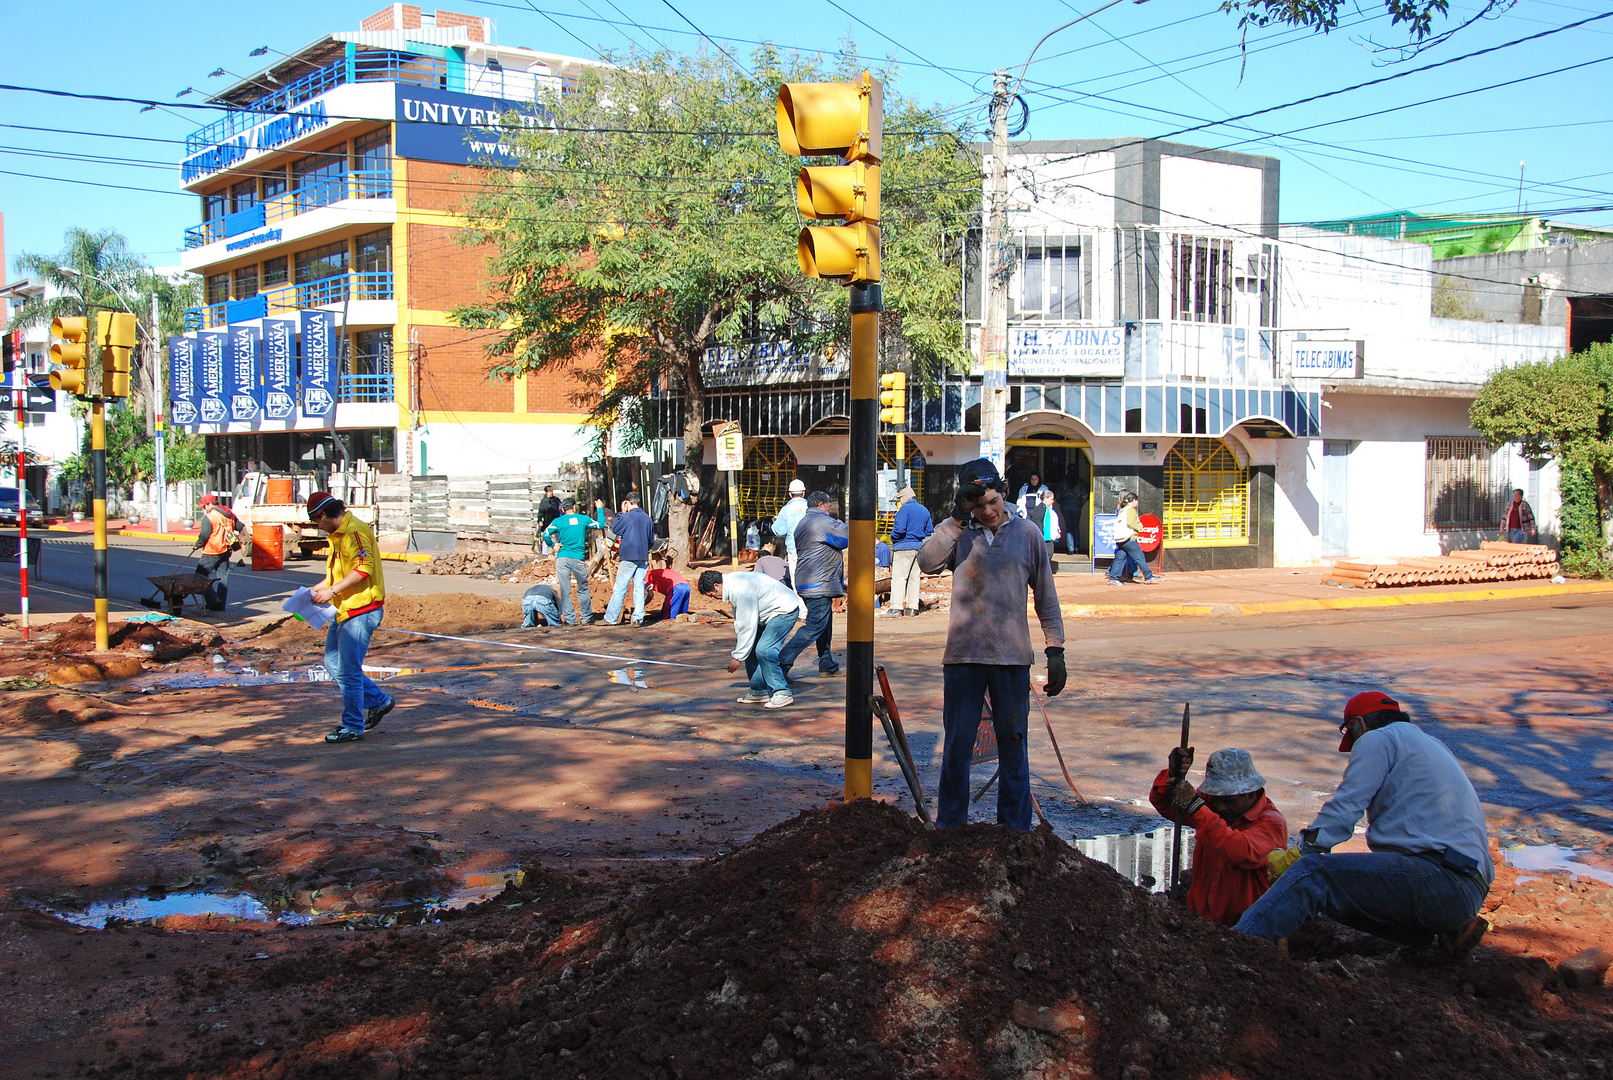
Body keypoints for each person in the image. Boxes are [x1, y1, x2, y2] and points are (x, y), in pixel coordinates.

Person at [1234, 690, 1493, 957]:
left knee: (1313, 873)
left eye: (1353, 735)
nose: (1355, 744)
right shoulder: (1430, 744)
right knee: (1342, 890)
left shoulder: (1377, 739)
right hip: (1467, 889)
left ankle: (1236, 949)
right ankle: (1445, 933)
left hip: (1441, 879)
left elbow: (1346, 808)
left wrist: (1301, 853)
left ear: (1359, 724)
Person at [918, 459, 1066, 830]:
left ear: (1003, 492)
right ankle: (951, 829)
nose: (988, 511)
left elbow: (1046, 596)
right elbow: (927, 562)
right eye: (978, 505)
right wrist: (955, 519)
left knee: (1013, 747)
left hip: (1012, 659)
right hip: (963, 659)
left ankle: (1014, 832)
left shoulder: (1028, 533)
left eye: (993, 501)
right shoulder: (957, 532)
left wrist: (1055, 649)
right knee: (957, 748)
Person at [1149, 748, 1289, 926]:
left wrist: (1197, 808)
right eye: (1217, 798)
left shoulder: (1272, 823)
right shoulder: (1214, 802)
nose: (1220, 807)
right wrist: (1173, 776)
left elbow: (1241, 852)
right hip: (1201, 923)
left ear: (1252, 792)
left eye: (1228, 800)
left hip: (1246, 930)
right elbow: (1165, 803)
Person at [307, 492, 391, 744]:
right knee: (334, 664)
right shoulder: (340, 535)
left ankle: (353, 725)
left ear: (322, 516)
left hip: (361, 611)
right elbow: (338, 574)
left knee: (348, 670)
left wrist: (331, 591)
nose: (317, 527)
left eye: (315, 522)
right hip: (344, 609)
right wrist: (316, 590)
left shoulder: (354, 532)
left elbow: (363, 570)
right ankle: (379, 701)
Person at [699, 568, 806, 709]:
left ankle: (781, 692)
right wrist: (742, 650)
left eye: (712, 594)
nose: (713, 598)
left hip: (784, 610)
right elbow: (742, 622)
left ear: (716, 586)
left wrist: (737, 657)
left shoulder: (740, 589)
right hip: (766, 612)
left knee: (765, 649)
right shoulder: (733, 584)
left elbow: (747, 625)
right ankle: (759, 690)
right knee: (751, 648)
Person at [778, 491, 848, 678]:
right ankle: (780, 664)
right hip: (819, 583)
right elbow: (845, 539)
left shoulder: (803, 522)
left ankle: (827, 665)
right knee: (815, 626)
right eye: (828, 507)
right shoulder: (822, 522)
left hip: (808, 581)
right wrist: (843, 525)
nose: (830, 510)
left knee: (824, 626)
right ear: (820, 505)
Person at [543, 498, 602, 625]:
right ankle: (586, 617)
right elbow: (600, 525)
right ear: (574, 507)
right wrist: (600, 509)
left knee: (565, 590)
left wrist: (553, 545)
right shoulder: (583, 519)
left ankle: (570, 619)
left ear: (563, 509)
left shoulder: (558, 521)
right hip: (578, 559)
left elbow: (545, 534)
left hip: (562, 558)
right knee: (583, 588)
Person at [604, 494, 655, 626]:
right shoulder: (647, 519)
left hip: (628, 556)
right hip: (643, 556)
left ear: (628, 503)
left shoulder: (626, 517)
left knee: (620, 587)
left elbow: (615, 529)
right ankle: (638, 618)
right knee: (639, 587)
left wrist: (621, 512)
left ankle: (611, 618)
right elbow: (651, 540)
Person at [191, 495, 240, 611]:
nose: (205, 509)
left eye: (204, 506)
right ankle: (220, 605)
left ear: (210, 504)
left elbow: (204, 535)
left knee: (200, 575)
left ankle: (213, 600)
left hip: (212, 551)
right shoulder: (229, 514)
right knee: (223, 578)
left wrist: (197, 545)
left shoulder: (210, 517)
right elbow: (240, 526)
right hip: (226, 550)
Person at [889, 485, 931, 618]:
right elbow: (929, 531)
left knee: (899, 578)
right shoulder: (924, 510)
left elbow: (899, 530)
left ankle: (896, 607)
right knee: (914, 578)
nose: (899, 501)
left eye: (900, 498)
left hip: (903, 547)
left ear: (905, 497)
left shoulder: (904, 510)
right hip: (919, 547)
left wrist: (893, 538)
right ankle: (912, 608)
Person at [1108, 491, 1161, 586]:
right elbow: (1131, 523)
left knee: (1120, 558)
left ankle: (1113, 578)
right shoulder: (1130, 510)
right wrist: (1140, 527)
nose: (1137, 503)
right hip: (1129, 538)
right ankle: (1149, 576)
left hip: (1121, 539)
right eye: (1137, 501)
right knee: (1139, 557)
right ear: (1133, 500)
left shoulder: (1122, 510)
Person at [771, 479, 809, 587]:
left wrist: (775, 521)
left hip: (793, 548)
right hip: (810, 548)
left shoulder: (786, 510)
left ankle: (800, 603)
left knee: (795, 578)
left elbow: (778, 531)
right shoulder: (810, 507)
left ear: (790, 494)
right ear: (804, 493)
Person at [1026, 489, 1064, 564]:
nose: (1053, 501)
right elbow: (1037, 522)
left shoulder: (1046, 509)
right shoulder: (1041, 508)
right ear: (1046, 498)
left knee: (1047, 554)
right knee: (1047, 554)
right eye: (1051, 499)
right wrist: (1040, 534)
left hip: (1046, 537)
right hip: (1043, 537)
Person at [537, 485, 562, 552]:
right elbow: (540, 512)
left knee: (558, 538)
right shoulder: (544, 502)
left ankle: (558, 553)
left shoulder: (556, 500)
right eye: (550, 491)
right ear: (546, 492)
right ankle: (545, 553)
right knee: (546, 537)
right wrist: (540, 520)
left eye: (552, 491)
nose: (551, 493)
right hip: (547, 522)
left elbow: (561, 508)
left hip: (556, 522)